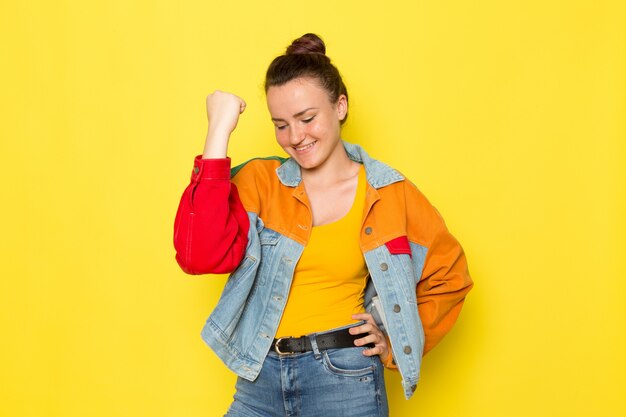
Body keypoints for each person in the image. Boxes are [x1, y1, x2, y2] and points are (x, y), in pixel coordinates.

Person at [173, 33, 473, 417]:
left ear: (341, 106)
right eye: (281, 125)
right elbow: (199, 255)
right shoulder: (261, 182)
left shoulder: (389, 194)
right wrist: (218, 131)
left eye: (307, 118)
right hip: (259, 378)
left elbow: (450, 276)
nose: (295, 137)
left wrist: (393, 341)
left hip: (345, 380)